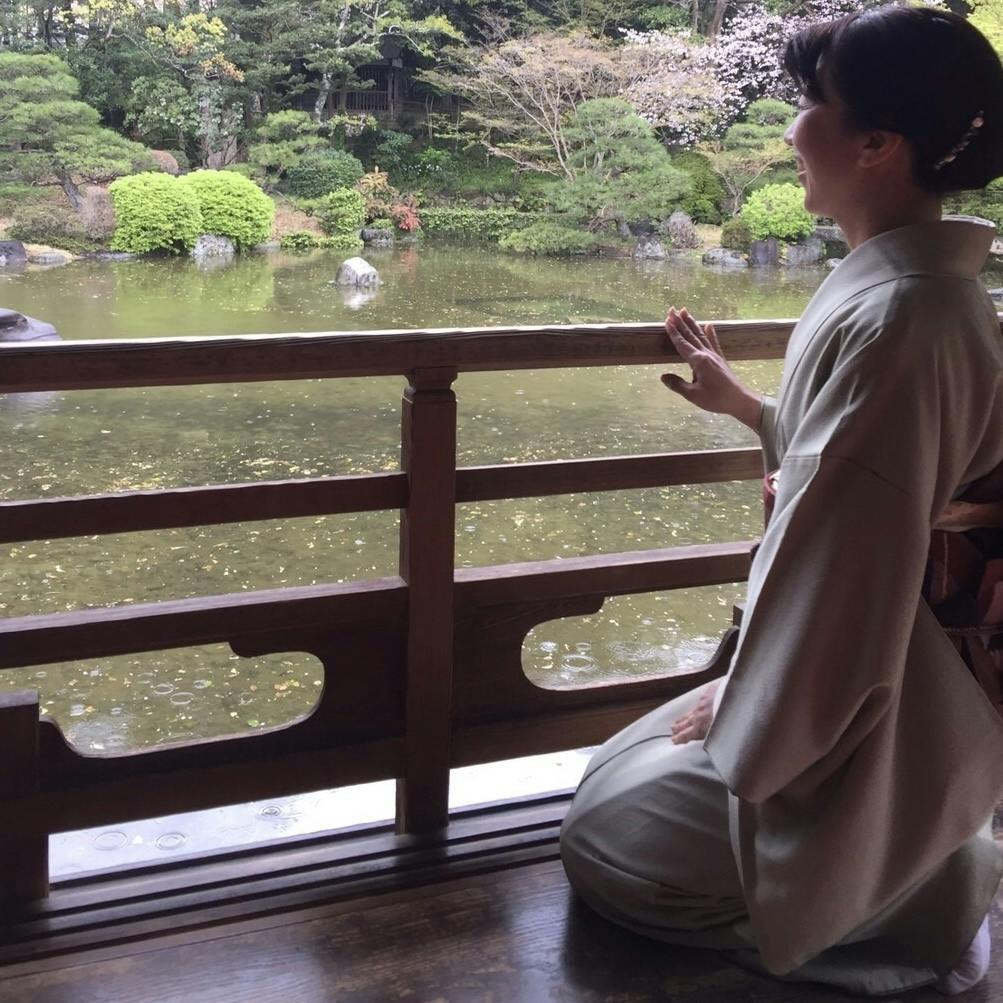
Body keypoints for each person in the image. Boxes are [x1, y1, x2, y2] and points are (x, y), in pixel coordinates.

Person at [559, 5, 1003, 996]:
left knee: (603, 839)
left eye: (809, 103)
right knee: (611, 771)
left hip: (891, 678)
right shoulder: (906, 293)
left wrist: (750, 700)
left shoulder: (907, 313)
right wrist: (749, 407)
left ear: (876, 143)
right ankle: (924, 855)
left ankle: (903, 903)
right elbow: (856, 477)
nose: (790, 128)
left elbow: (851, 565)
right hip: (867, 659)